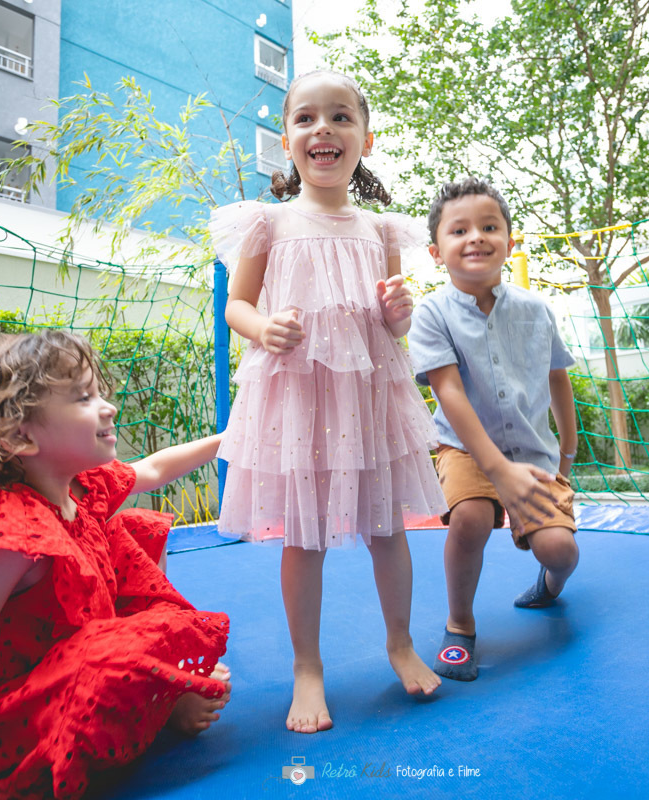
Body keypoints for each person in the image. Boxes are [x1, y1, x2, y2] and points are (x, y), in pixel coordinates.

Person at [0, 330, 231, 800]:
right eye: (84, 398)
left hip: (68, 660)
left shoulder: (80, 485)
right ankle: (157, 701)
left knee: (134, 529)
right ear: (21, 436)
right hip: (17, 725)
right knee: (120, 648)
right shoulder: (9, 537)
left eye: (99, 392)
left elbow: (154, 470)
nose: (108, 407)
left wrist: (229, 440)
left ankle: (160, 700)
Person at [210, 69, 447, 734]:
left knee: (387, 529)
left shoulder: (381, 230)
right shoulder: (267, 223)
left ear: (365, 139)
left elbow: (391, 325)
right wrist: (263, 328)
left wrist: (398, 313)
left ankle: (400, 642)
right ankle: (307, 667)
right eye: (306, 118)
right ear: (288, 140)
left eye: (341, 117)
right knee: (303, 537)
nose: (324, 128)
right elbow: (237, 305)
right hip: (298, 399)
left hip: (366, 401)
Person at [409, 177, 581, 682]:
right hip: (465, 449)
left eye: (489, 227)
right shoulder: (432, 313)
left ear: (509, 240)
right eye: (459, 230)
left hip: (532, 451)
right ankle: (459, 623)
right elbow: (449, 392)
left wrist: (567, 451)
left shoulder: (535, 310)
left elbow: (557, 377)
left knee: (561, 551)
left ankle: (550, 583)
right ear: (436, 252)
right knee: (470, 519)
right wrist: (496, 470)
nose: (476, 238)